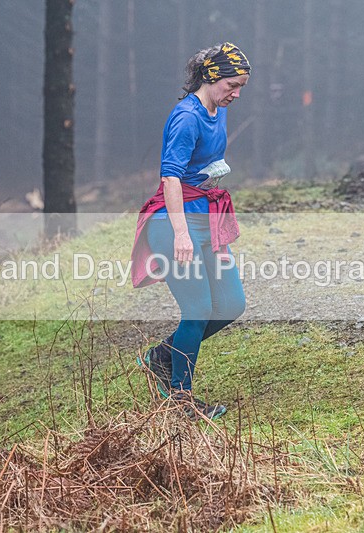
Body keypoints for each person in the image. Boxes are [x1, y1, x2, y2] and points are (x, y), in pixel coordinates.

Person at [131, 42, 250, 421]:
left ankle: (162, 356)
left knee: (231, 304)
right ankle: (180, 402)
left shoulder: (217, 109)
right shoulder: (186, 117)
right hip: (173, 222)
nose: (236, 93)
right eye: (232, 85)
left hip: (205, 218)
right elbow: (170, 179)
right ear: (211, 76)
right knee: (197, 308)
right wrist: (182, 235)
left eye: (241, 87)